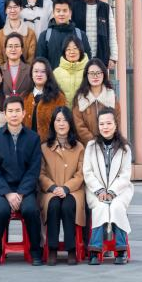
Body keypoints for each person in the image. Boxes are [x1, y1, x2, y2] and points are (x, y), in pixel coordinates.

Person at [0, 96, 44, 266]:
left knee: (31, 210)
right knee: (1, 211)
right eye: (10, 111)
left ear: (24, 113)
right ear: (5, 114)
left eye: (18, 111)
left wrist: (21, 193)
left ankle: (36, 252)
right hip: (2, 190)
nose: (14, 114)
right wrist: (8, 193)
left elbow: (33, 170)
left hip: (25, 189)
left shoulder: (33, 138)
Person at [82, 108, 133, 265]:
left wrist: (112, 191)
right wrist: (100, 190)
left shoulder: (125, 148)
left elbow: (125, 175)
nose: (105, 127)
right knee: (101, 207)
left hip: (120, 191)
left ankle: (121, 250)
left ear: (116, 124)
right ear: (98, 126)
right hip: (95, 191)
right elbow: (87, 172)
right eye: (102, 124)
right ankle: (95, 251)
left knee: (117, 207)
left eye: (109, 123)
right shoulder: (91, 146)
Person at [40, 107, 85, 265]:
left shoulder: (79, 147)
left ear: (70, 123)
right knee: (53, 205)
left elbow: (80, 174)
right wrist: (53, 188)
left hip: (73, 191)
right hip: (50, 191)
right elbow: (41, 174)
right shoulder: (44, 148)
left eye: (65, 120)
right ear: (53, 123)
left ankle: (71, 249)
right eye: (58, 120)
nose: (61, 124)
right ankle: (52, 249)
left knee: (67, 206)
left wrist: (66, 188)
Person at [74, 59, 120, 144]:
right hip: (86, 146)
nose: (95, 76)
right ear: (86, 75)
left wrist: (107, 140)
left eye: (98, 73)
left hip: (109, 144)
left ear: (104, 74)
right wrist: (93, 142)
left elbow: (117, 121)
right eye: (92, 73)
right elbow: (78, 125)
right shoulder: (80, 98)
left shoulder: (111, 96)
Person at [26, 58, 69, 142]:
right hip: (28, 144)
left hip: (50, 145)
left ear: (48, 74)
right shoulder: (25, 97)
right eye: (36, 71)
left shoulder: (58, 97)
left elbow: (63, 123)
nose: (39, 74)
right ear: (31, 74)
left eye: (43, 71)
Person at [37, 0, 91, 66]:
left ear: (70, 13)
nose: (61, 14)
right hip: (53, 73)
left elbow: (87, 60)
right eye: (58, 11)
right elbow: (40, 63)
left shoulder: (80, 35)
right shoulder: (45, 36)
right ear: (53, 13)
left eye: (65, 11)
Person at [53, 38, 89, 105]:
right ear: (64, 52)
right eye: (68, 49)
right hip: (63, 110)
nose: (72, 52)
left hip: (84, 110)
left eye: (75, 48)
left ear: (80, 50)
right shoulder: (56, 73)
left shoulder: (89, 70)